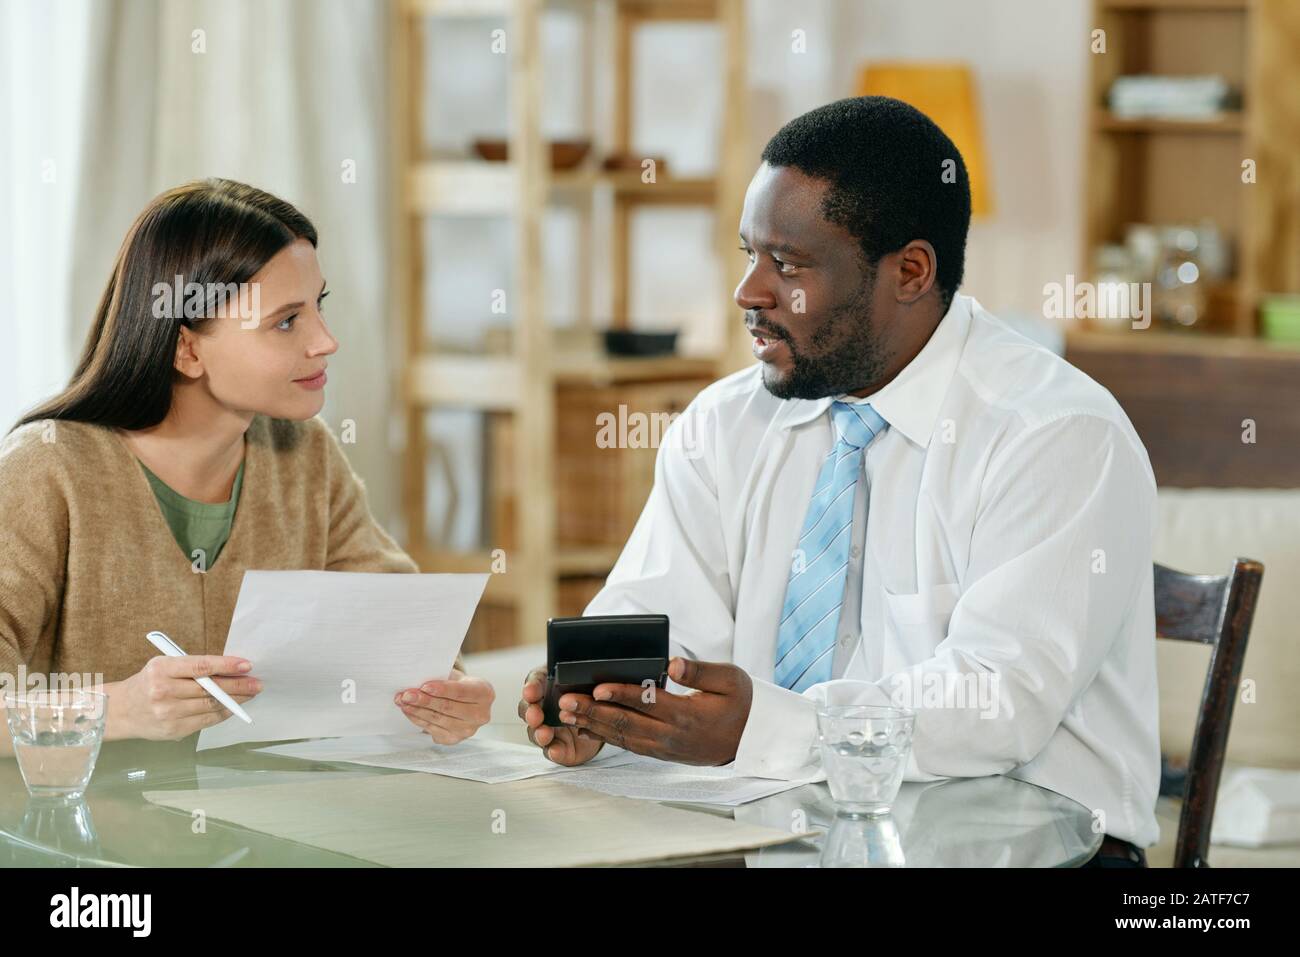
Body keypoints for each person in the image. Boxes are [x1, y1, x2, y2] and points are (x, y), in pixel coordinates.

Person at [518, 96, 1159, 867]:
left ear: (910, 272)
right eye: (748, 253)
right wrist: (605, 708)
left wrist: (773, 725)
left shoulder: (1054, 436)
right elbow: (660, 622)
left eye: (786, 265)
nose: (749, 292)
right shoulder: (725, 424)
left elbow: (997, 703)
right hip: (776, 834)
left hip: (1036, 853)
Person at [0, 179, 493, 754]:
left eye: (319, 307)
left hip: (268, 828)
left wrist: (450, 693)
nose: (326, 341)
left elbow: (404, 630)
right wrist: (118, 707)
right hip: (83, 835)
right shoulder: (47, 469)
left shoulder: (306, 454)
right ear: (187, 349)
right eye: (287, 321)